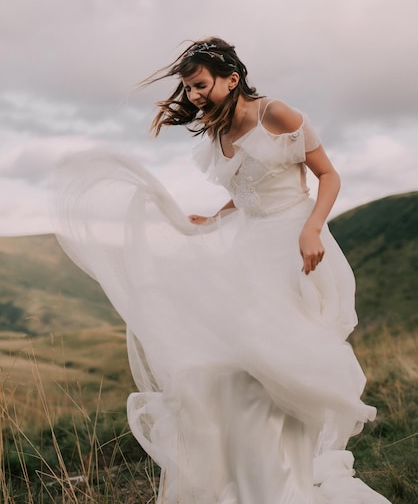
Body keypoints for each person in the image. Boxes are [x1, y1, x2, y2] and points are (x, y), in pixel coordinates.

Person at [54, 37, 391, 504]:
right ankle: (257, 473)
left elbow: (328, 176)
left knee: (274, 361)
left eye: (199, 85)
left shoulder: (278, 114)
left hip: (293, 245)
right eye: (189, 89)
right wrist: (213, 219)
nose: (193, 96)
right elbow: (251, 188)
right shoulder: (217, 130)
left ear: (232, 79)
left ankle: (283, 478)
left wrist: (313, 228)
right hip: (249, 246)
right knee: (236, 367)